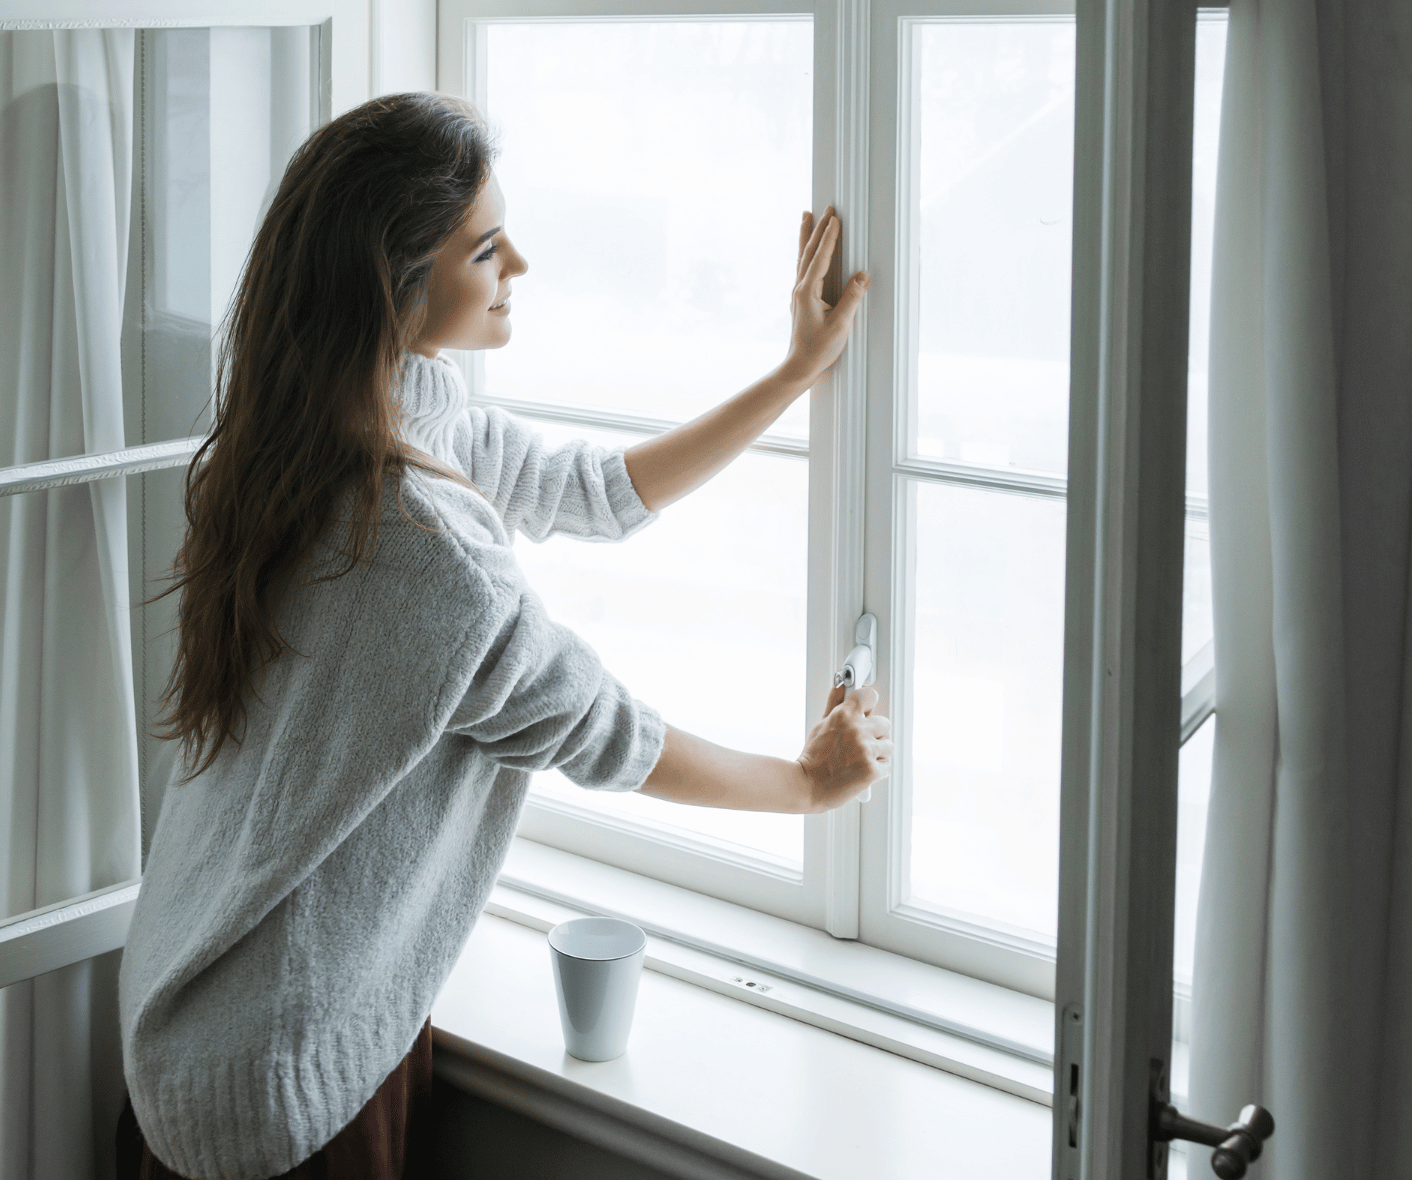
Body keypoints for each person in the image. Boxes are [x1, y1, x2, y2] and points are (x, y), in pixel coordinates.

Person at [114, 91, 890, 1180]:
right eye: (485, 246)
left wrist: (794, 374)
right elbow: (608, 733)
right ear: (397, 281)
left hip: (190, 1009)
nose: (515, 263)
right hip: (276, 1084)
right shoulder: (423, 555)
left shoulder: (333, 415)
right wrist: (807, 783)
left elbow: (588, 491)